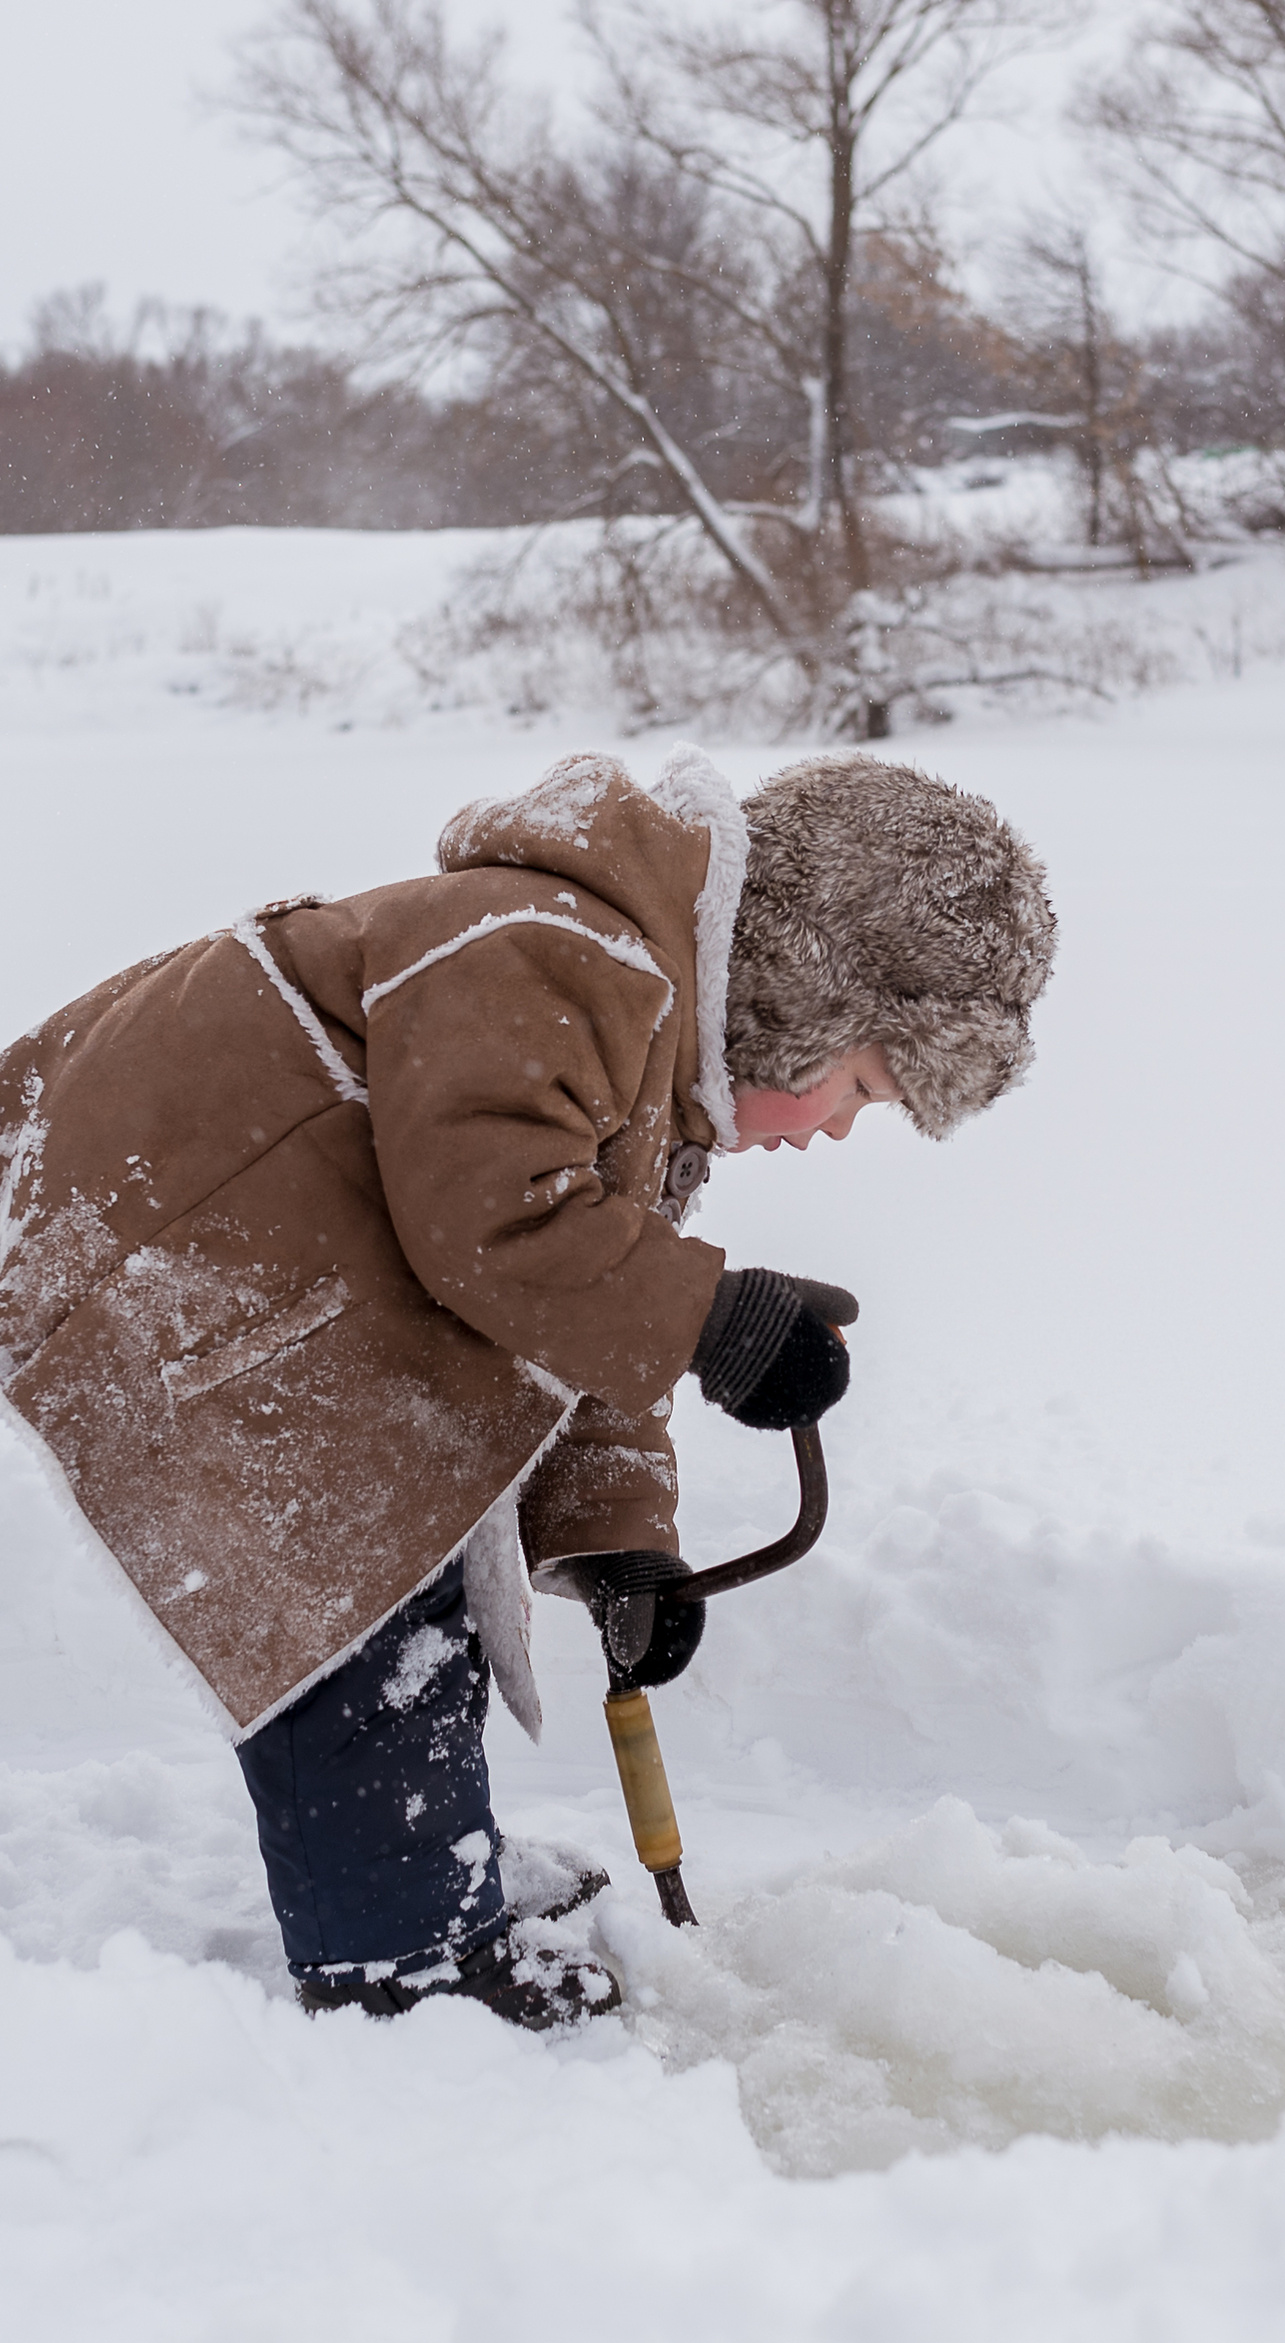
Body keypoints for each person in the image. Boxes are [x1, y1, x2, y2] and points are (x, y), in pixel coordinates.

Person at [0, 746, 1056, 2028]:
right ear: (810, 991)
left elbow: (577, 1307)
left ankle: (436, 1876)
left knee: (420, 1544)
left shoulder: (636, 1028)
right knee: (366, 1588)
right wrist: (715, 1318)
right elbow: (496, 1221)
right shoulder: (553, 944)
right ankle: (405, 1958)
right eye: (864, 1086)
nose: (837, 1127)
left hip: (263, 1254)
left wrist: (622, 1544)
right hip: (156, 1230)